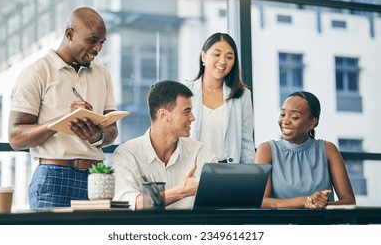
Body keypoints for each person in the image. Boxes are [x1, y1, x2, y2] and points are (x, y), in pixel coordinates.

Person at [8, 7, 118, 208]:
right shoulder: (37, 72)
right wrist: (61, 121)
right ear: (69, 34)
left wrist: (97, 137)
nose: (98, 49)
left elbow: (112, 130)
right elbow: (15, 137)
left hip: (96, 178)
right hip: (53, 178)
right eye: (92, 40)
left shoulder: (103, 74)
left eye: (101, 43)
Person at [112, 80, 217, 210]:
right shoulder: (127, 154)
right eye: (186, 111)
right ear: (164, 115)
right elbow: (128, 203)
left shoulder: (201, 153)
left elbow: (219, 199)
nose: (192, 118)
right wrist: (182, 191)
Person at [255, 91, 356, 209]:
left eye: (294, 117)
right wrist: (305, 201)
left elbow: (349, 201)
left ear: (312, 122)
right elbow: (260, 201)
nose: (285, 121)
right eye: (282, 114)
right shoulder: (266, 150)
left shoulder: (328, 150)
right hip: (281, 225)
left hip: (321, 224)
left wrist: (321, 205)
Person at [186, 32, 255, 163]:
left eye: (229, 57)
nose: (222, 61)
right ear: (203, 57)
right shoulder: (186, 91)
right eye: (216, 55)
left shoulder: (242, 95)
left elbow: (246, 142)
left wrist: (248, 177)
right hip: (193, 170)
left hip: (229, 171)